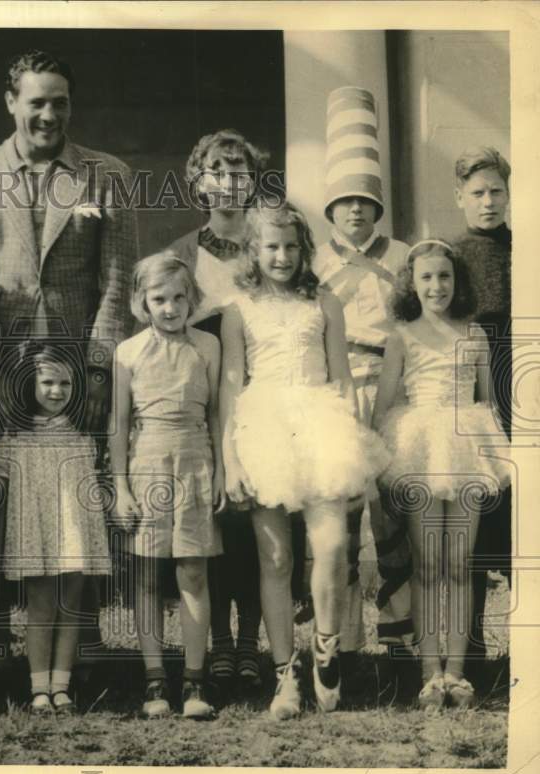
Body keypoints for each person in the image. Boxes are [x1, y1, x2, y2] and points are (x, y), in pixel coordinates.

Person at [0, 49, 138, 693]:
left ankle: (77, 653)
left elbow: (115, 281)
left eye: (60, 102)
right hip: (0, 370)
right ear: (11, 103)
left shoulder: (105, 175)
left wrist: (99, 371)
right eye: (37, 102)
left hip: (75, 373)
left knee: (76, 513)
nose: (48, 114)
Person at [220, 203, 388, 720]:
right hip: (263, 425)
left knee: (334, 547)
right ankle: (284, 673)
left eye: (292, 246)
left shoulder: (325, 301)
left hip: (321, 422)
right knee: (276, 560)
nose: (282, 256)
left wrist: (355, 452)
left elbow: (341, 379)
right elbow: (230, 387)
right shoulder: (238, 308)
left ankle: (326, 649)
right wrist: (231, 460)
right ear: (253, 250)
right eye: (271, 246)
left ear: (304, 248)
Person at [372, 239, 510, 709]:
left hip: (465, 444)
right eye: (427, 277)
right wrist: (379, 459)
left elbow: (486, 402)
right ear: (412, 283)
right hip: (419, 447)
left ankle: (458, 672)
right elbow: (384, 403)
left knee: (459, 563)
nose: (437, 286)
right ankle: (430, 672)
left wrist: (494, 450)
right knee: (428, 564)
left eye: (445, 276)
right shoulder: (402, 336)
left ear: (458, 281)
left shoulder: (474, 335)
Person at [311, 87, 413, 699]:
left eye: (366, 203)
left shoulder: (402, 255)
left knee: (393, 515)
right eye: (346, 202)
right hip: (338, 389)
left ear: (378, 210)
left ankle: (398, 647)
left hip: (392, 385)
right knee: (342, 520)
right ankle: (345, 652)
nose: (356, 212)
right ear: (331, 209)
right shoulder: (315, 262)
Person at [166, 129, 267, 694]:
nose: (228, 181)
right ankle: (220, 645)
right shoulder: (182, 252)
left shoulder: (273, 242)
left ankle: (251, 640)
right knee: (216, 520)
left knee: (259, 520)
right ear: (198, 181)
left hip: (265, 397)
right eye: (216, 170)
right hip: (206, 402)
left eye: (239, 169)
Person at [111, 254, 225, 719]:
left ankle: (195, 682)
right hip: (147, 463)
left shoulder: (207, 347)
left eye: (179, 297)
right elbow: (118, 423)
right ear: (143, 302)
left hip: (196, 458)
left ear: (191, 299)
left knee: (193, 572)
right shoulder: (129, 352)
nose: (171, 307)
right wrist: (120, 486)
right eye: (159, 299)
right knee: (147, 575)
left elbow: (216, 412)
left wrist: (221, 470)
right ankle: (155, 679)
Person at [0, 340, 109, 714]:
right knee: (40, 606)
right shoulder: (16, 435)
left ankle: (62, 686)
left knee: (71, 605)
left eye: (65, 385)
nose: (56, 392)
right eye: (47, 383)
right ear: (30, 384)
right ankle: (39, 688)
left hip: (74, 530)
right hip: (35, 531)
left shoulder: (83, 434)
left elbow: (96, 480)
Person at [450, 146, 513, 685]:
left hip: (525, 387)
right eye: (477, 193)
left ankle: (528, 650)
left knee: (525, 528)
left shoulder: (527, 249)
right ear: (460, 197)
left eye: (496, 191)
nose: (487, 202)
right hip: (471, 394)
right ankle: (467, 652)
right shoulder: (448, 256)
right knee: (471, 525)